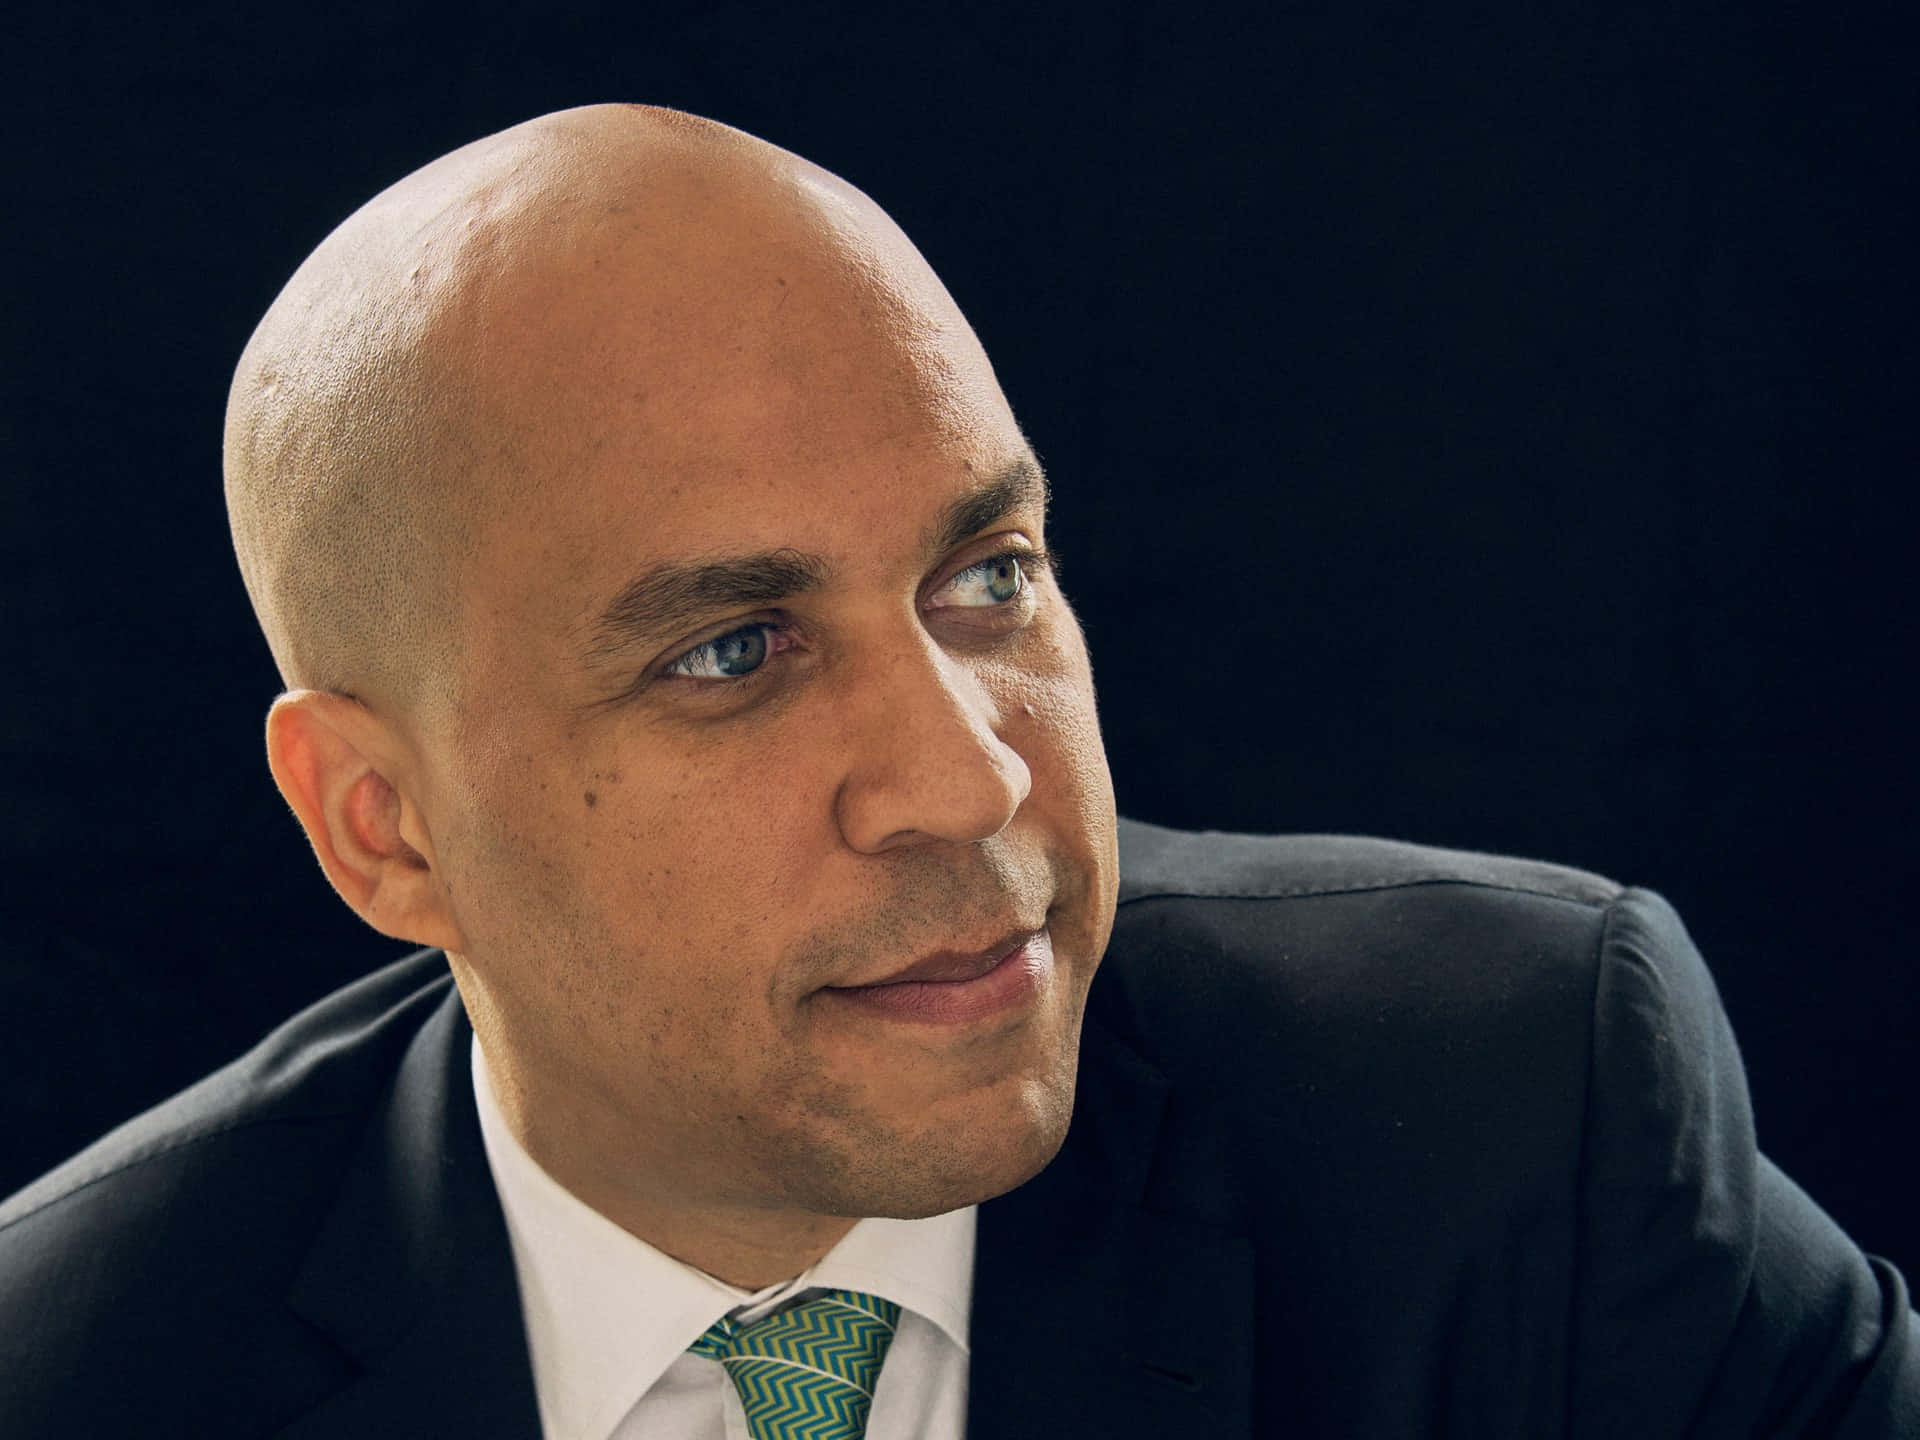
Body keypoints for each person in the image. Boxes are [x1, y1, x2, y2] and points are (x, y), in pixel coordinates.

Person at [0, 103, 1912, 1440]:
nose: (966, 782)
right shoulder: (74, 1373)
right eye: (731, 653)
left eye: (988, 578)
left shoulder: (1520, 1122)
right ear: (385, 828)